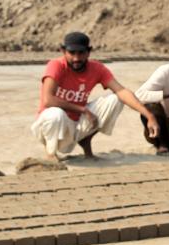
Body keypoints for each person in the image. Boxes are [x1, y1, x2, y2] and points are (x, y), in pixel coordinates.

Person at [31, 31, 159, 160]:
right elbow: (48, 100)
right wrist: (83, 110)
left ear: (88, 52)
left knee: (115, 100)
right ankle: (51, 154)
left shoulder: (96, 68)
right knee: (55, 114)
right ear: (63, 51)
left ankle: (86, 141)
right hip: (51, 126)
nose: (76, 58)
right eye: (72, 53)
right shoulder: (56, 65)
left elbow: (121, 91)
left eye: (81, 53)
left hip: (76, 123)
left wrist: (149, 115)